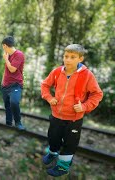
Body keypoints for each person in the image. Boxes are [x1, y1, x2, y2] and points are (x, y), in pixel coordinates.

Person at [41, 44, 103, 177]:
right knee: (53, 138)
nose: (68, 60)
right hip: (56, 115)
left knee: (70, 144)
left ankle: (63, 167)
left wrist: (85, 106)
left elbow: (97, 94)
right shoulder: (57, 72)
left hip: (74, 119)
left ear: (80, 59)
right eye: (66, 56)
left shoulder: (87, 75)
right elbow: (45, 85)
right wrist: (49, 97)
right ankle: (52, 154)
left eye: (72, 57)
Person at [1, 36, 26, 130]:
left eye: (3, 46)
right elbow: (6, 70)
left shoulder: (18, 54)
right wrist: (2, 82)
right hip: (5, 85)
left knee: (14, 102)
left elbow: (12, 69)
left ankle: (18, 122)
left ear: (5, 45)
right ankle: (8, 123)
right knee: (7, 105)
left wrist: (6, 59)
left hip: (15, 84)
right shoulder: (8, 55)